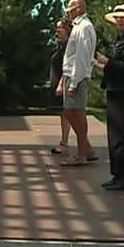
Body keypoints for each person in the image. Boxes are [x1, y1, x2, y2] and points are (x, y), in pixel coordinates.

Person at [94, 4, 124, 190]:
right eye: (117, 18)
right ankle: (118, 174)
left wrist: (107, 62)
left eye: (123, 18)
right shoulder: (120, 40)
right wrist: (102, 65)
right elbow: (116, 66)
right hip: (115, 91)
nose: (119, 21)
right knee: (115, 134)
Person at [60, 0, 98, 166]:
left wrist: (74, 83)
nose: (67, 12)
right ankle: (86, 149)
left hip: (77, 76)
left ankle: (82, 153)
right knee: (70, 111)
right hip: (73, 75)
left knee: (76, 112)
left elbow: (81, 57)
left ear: (77, 8)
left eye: (69, 8)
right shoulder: (79, 26)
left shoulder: (83, 28)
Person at [49, 19, 73, 155]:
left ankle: (65, 142)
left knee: (67, 114)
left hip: (63, 83)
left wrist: (60, 84)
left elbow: (67, 66)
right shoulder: (61, 45)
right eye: (57, 28)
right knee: (63, 114)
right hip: (57, 82)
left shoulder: (69, 45)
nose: (58, 30)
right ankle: (65, 141)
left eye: (61, 28)